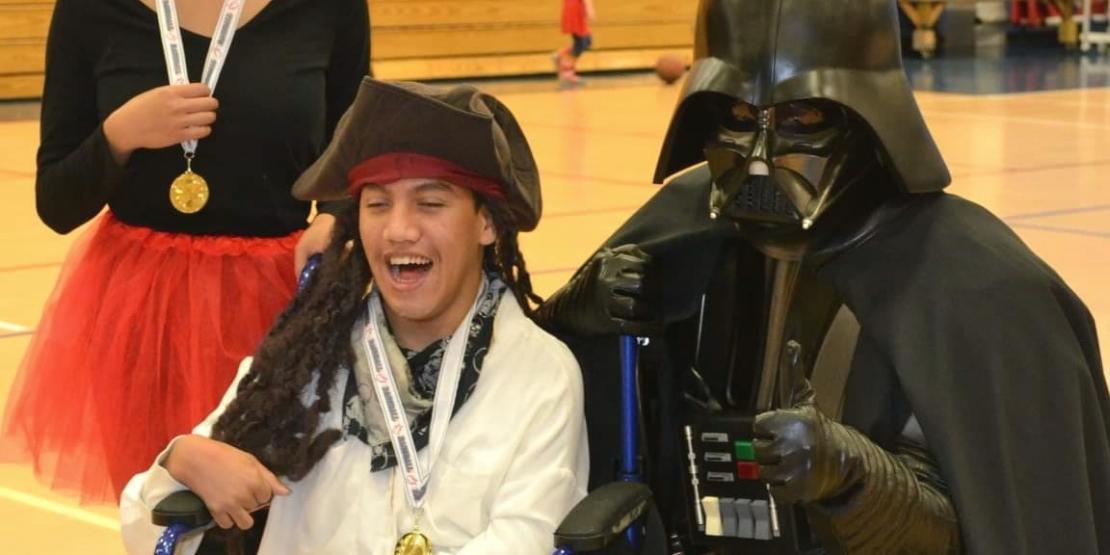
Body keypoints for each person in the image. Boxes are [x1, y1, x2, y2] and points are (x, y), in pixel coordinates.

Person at [537, 0, 1110, 553]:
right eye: (738, 117)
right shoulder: (684, 224)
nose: (760, 156)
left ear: (870, 115)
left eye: (802, 117)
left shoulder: (979, 289)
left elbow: (1007, 524)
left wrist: (857, 479)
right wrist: (579, 320)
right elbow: (539, 410)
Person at [120, 78, 589, 554]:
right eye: (377, 204)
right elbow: (144, 528)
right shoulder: (306, 363)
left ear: (486, 223)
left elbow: (527, 539)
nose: (400, 229)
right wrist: (180, 462)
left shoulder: (540, 375)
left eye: (430, 203)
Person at [0, 0, 369, 503]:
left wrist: (333, 215)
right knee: (161, 510)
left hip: (277, 305)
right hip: (140, 312)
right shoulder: (89, 11)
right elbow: (57, 202)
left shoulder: (330, 9)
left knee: (280, 512)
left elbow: (357, 150)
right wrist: (120, 134)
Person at [555, 0, 596, 86]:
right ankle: (567, 73)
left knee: (586, 41)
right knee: (581, 42)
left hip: (575, 6)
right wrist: (589, 7)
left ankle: (561, 55)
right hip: (575, 7)